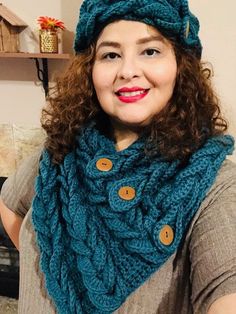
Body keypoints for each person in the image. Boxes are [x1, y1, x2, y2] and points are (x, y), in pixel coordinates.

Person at [0, 0, 236, 313]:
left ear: (181, 64)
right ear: (90, 69)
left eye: (150, 51)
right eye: (110, 54)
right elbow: (10, 208)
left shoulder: (215, 183)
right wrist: (59, 260)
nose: (127, 71)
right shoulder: (60, 149)